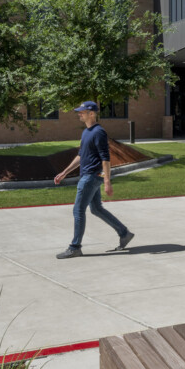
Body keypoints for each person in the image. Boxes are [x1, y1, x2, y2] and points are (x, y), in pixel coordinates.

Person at [54, 100, 135, 258]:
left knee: (78, 210)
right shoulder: (86, 132)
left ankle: (75, 246)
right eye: (79, 112)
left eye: (82, 112)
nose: (79, 114)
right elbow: (80, 156)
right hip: (88, 175)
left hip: (91, 177)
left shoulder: (98, 132)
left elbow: (106, 159)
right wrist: (65, 172)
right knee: (96, 209)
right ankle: (124, 233)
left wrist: (107, 181)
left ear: (92, 113)